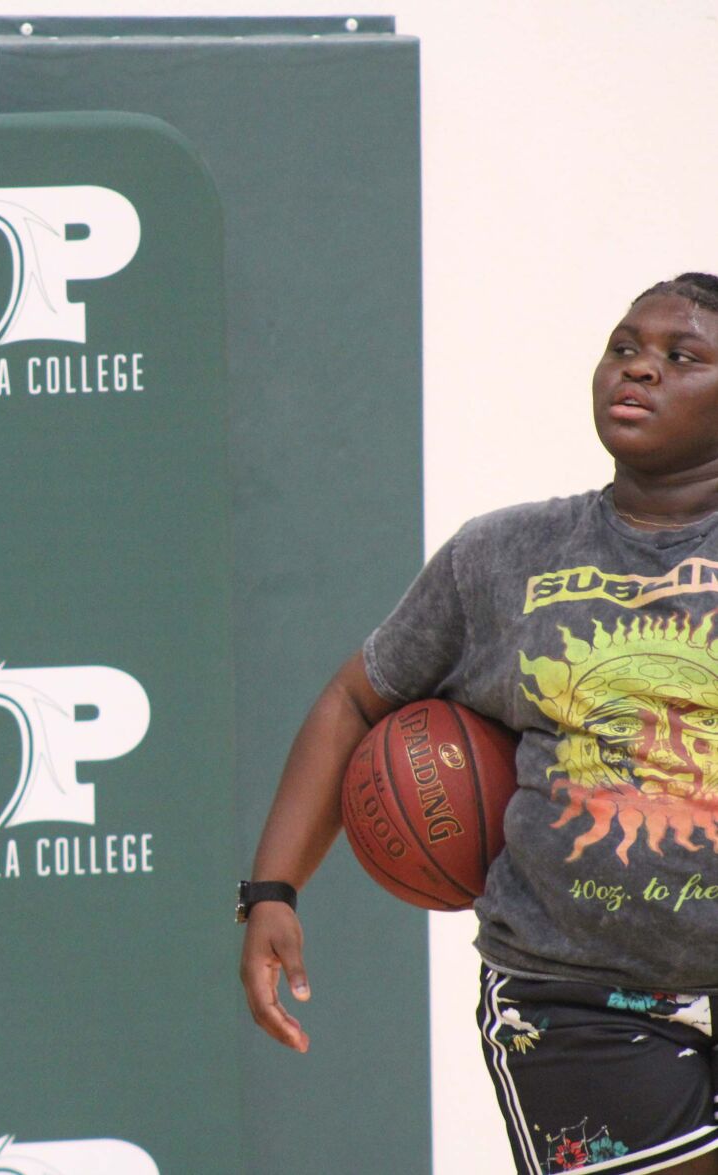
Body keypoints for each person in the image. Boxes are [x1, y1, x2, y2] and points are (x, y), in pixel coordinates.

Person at [239, 274, 718, 1175]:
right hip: (574, 999)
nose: (639, 370)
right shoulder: (503, 555)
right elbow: (351, 700)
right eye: (624, 347)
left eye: (680, 357)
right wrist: (271, 891)